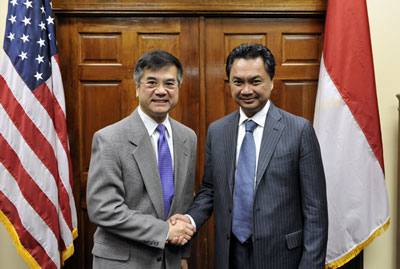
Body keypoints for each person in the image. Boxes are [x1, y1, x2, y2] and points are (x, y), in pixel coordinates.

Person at [172, 43, 328, 268]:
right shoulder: (217, 131)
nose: (246, 90)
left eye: (255, 81)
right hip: (230, 255)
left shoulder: (299, 130)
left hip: (283, 258)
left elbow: (315, 210)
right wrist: (189, 220)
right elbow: (210, 190)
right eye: (238, 82)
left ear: (271, 82)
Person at [87, 50, 197, 269]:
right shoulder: (109, 139)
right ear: (137, 88)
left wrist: (183, 255)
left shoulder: (188, 137)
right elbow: (104, 208)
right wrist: (164, 231)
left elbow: (184, 202)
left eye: (169, 83)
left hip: (171, 261)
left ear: (178, 88)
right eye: (151, 82)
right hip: (124, 262)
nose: (161, 91)